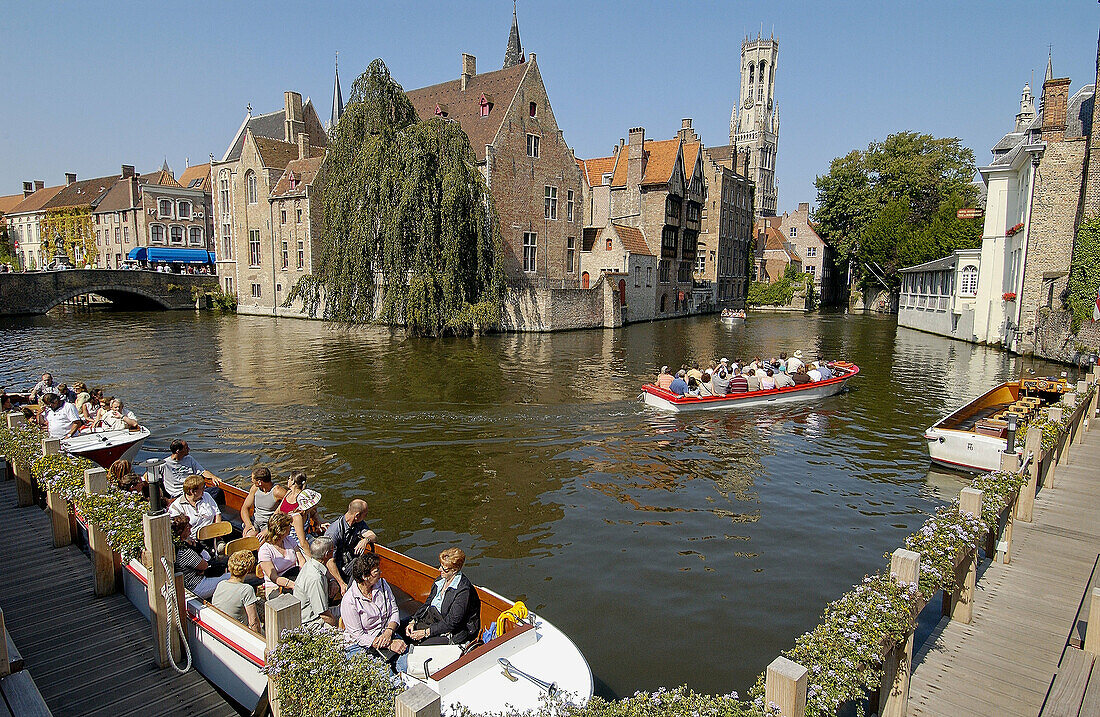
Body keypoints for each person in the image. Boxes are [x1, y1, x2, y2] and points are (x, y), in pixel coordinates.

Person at [404, 547, 481, 647]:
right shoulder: (440, 580)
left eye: (444, 569)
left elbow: (452, 622)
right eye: (440, 565)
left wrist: (425, 632)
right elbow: (428, 603)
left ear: (455, 570)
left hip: (452, 632)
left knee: (420, 648)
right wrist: (414, 620)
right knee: (402, 629)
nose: (440, 570)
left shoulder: (463, 590)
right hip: (433, 620)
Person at [340, 553, 406, 660]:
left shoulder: (383, 584)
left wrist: (389, 632)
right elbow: (359, 636)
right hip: (362, 645)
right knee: (384, 674)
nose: (380, 572)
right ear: (365, 577)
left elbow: (394, 611)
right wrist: (389, 645)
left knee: (408, 663)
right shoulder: (349, 600)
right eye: (376, 571)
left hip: (386, 634)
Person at [324, 499, 377, 594]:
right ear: (357, 515)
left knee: (364, 561)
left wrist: (366, 540)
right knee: (359, 564)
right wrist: (341, 583)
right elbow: (329, 561)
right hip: (338, 567)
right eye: (365, 514)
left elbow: (373, 536)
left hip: (349, 561)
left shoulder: (358, 523)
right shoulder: (334, 532)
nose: (366, 517)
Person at [172, 516, 229, 599]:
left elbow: (206, 558)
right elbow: (204, 565)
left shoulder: (183, 545)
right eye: (188, 526)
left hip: (195, 579)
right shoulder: (184, 551)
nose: (190, 527)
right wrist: (201, 569)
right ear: (182, 531)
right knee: (230, 577)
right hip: (196, 586)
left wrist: (195, 546)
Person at [151, 440, 223, 499]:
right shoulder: (164, 464)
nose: (189, 449)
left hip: (194, 490)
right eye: (186, 448)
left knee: (217, 491)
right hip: (178, 494)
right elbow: (148, 475)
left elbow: (203, 472)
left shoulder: (189, 459)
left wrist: (213, 477)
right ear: (178, 451)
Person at [211, 550, 261, 632]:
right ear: (248, 570)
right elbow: (253, 622)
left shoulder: (221, 584)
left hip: (219, 628)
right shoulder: (246, 589)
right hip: (237, 632)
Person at [294, 536, 338, 626]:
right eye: (333, 550)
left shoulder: (312, 563)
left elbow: (326, 572)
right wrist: (338, 627)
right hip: (312, 621)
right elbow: (324, 615)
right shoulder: (315, 579)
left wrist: (332, 581)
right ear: (327, 554)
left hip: (318, 613)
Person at [257, 513, 303, 597]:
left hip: (295, 576)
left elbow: (301, 559)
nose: (291, 526)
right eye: (289, 525)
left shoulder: (289, 540)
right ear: (282, 530)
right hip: (276, 586)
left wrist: (303, 576)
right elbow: (274, 577)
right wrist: (292, 585)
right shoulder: (265, 550)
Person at [241, 466, 284, 537]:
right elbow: (245, 508)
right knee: (249, 536)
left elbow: (291, 502)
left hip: (269, 525)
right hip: (255, 522)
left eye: (252, 479)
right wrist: (248, 525)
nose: (251, 480)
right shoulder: (254, 489)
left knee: (261, 539)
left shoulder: (277, 491)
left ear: (259, 482)